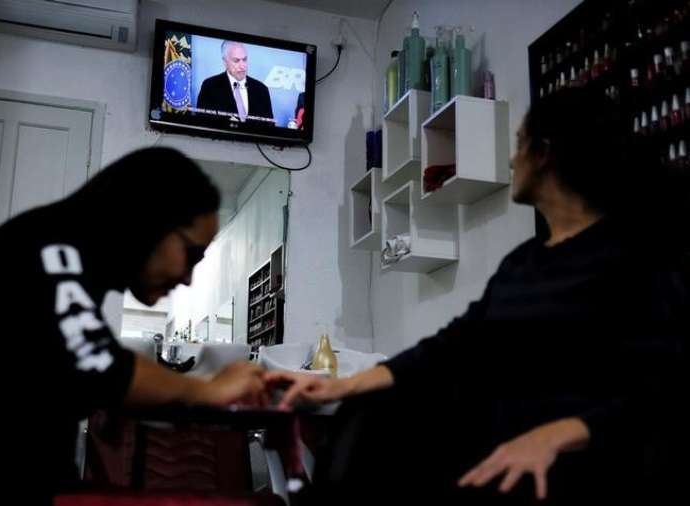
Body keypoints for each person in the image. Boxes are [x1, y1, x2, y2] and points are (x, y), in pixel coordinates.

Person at [267, 88, 689, 504]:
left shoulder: (636, 256)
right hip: (499, 451)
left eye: (520, 144)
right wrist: (342, 387)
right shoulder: (522, 264)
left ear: (544, 153)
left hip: (582, 461)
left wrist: (559, 435)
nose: (511, 158)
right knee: (367, 417)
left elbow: (665, 384)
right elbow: (452, 347)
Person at [0, 147, 269, 504]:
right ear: (149, 219)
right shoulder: (53, 246)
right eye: (192, 255)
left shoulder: (66, 254)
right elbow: (101, 367)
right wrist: (208, 390)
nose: (189, 279)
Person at [196, 40, 274, 123]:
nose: (242, 65)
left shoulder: (261, 90)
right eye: (236, 61)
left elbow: (269, 126)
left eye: (244, 59)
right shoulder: (210, 86)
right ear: (225, 62)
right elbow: (202, 121)